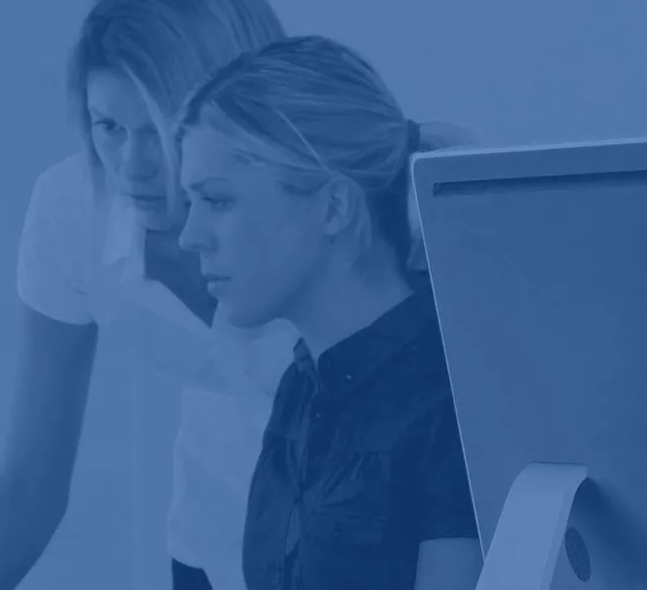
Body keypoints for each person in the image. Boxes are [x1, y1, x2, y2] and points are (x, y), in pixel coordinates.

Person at [0, 0, 294, 590]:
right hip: (212, 547)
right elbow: (30, 483)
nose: (132, 166)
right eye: (108, 126)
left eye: (160, 129)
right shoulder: (72, 209)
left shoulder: (328, 204)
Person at [173, 35, 482, 590]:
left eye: (217, 200)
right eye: (191, 203)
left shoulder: (456, 404)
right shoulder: (299, 388)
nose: (190, 235)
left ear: (334, 206)